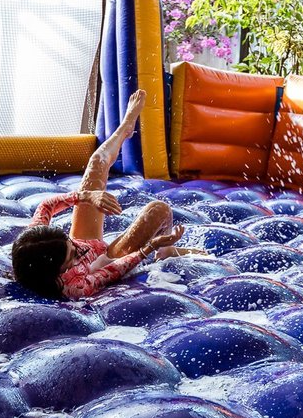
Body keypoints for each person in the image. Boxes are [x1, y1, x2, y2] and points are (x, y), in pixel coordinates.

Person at [11, 89, 189, 300]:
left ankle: (125, 128)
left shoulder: (32, 244)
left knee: (97, 161)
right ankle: (164, 251)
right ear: (59, 272)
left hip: (88, 239)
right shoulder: (75, 286)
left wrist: (86, 196)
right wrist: (150, 247)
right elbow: (112, 271)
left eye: (71, 245)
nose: (80, 251)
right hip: (104, 260)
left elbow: (46, 206)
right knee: (158, 210)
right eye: (72, 256)